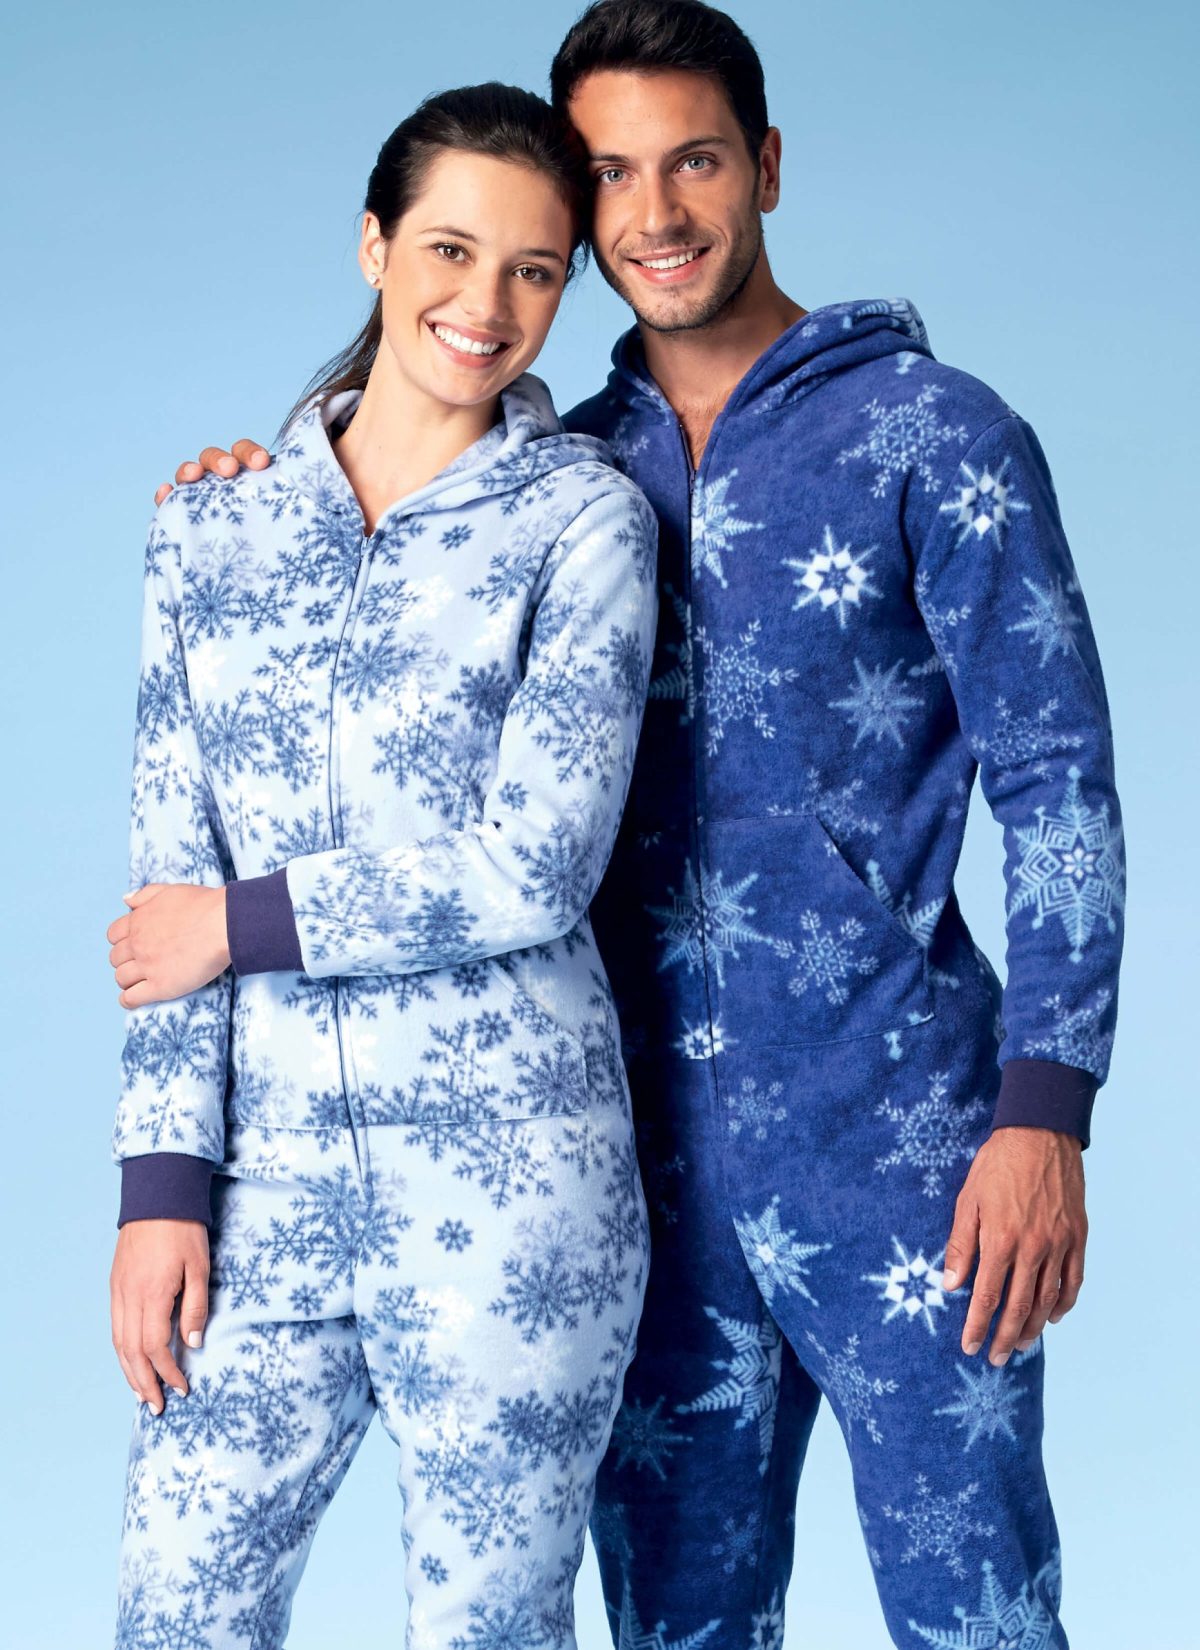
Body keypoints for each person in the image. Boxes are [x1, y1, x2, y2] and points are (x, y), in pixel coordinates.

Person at [144, 2, 1127, 1646]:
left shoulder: (937, 437)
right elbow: (370, 552)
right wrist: (254, 479)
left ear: (768, 166)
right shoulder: (559, 474)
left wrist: (1049, 1109)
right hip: (633, 1180)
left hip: (910, 1153)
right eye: (610, 173)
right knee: (675, 1627)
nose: (657, 212)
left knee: (982, 1617)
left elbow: (1061, 783)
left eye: (697, 162)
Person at [105, 81, 659, 1649]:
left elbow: (534, 866)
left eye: (536, 269)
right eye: (450, 250)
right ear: (374, 245)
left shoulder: (586, 523)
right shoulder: (209, 531)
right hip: (264, 1189)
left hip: (517, 1189)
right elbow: (165, 880)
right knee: (174, 1611)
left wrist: (244, 923)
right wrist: (161, 1189)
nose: (486, 303)